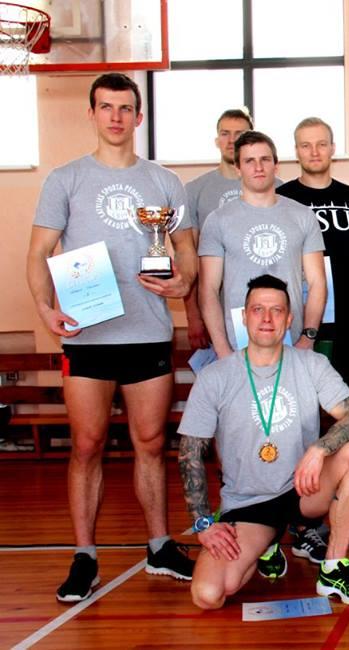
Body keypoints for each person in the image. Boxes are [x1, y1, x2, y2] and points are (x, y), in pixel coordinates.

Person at [26, 72, 198, 602]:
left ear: (138, 116)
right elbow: (38, 253)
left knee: (151, 444)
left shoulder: (164, 182)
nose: (116, 117)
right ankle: (85, 556)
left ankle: (159, 546)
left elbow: (186, 254)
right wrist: (45, 309)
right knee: (87, 445)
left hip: (147, 334)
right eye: (106, 107)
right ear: (92, 113)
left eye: (125, 108)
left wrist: (182, 282)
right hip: (87, 336)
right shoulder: (65, 179)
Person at [178, 274, 349, 609]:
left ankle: (332, 569)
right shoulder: (216, 376)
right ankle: (266, 543)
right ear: (245, 317)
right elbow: (190, 455)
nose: (267, 318)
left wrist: (319, 449)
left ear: (289, 320)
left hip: (303, 489)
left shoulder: (312, 364)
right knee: (209, 595)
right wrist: (203, 524)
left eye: (277, 310)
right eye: (258, 310)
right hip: (249, 503)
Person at [277, 116, 349, 547]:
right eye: (305, 145)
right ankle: (301, 510)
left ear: (331, 148)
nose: (314, 152)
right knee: (300, 419)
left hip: (345, 326)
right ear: (296, 150)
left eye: (321, 144)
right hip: (298, 329)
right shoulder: (283, 199)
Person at [198, 130, 326, 360]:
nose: (258, 167)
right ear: (238, 168)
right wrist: (223, 350)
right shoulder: (218, 220)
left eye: (265, 159)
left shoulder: (303, 216)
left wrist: (308, 338)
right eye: (249, 161)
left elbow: (317, 282)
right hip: (237, 345)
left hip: (292, 341)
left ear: (276, 165)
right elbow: (208, 288)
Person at [182, 108, 255, 350]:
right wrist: (193, 316)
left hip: (263, 307)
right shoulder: (195, 190)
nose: (232, 140)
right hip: (214, 310)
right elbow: (188, 257)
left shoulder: (276, 187)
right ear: (216, 139)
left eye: (239, 134)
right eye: (225, 133)